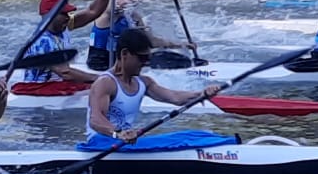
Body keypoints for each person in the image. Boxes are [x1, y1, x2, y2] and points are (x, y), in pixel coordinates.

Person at [85, 30, 222, 147]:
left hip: (126, 141)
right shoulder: (105, 83)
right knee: (182, 142)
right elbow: (96, 120)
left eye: (148, 58)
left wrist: (202, 94)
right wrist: (118, 133)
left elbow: (175, 98)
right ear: (124, 54)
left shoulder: (144, 82)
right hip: (101, 142)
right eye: (142, 58)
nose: (145, 64)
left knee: (195, 135)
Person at [21, 0, 96, 84]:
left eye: (68, 14)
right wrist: (99, 78)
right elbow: (65, 73)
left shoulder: (61, 28)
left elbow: (93, 11)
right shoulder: (43, 41)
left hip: (53, 84)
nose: (67, 17)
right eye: (63, 13)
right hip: (37, 89)